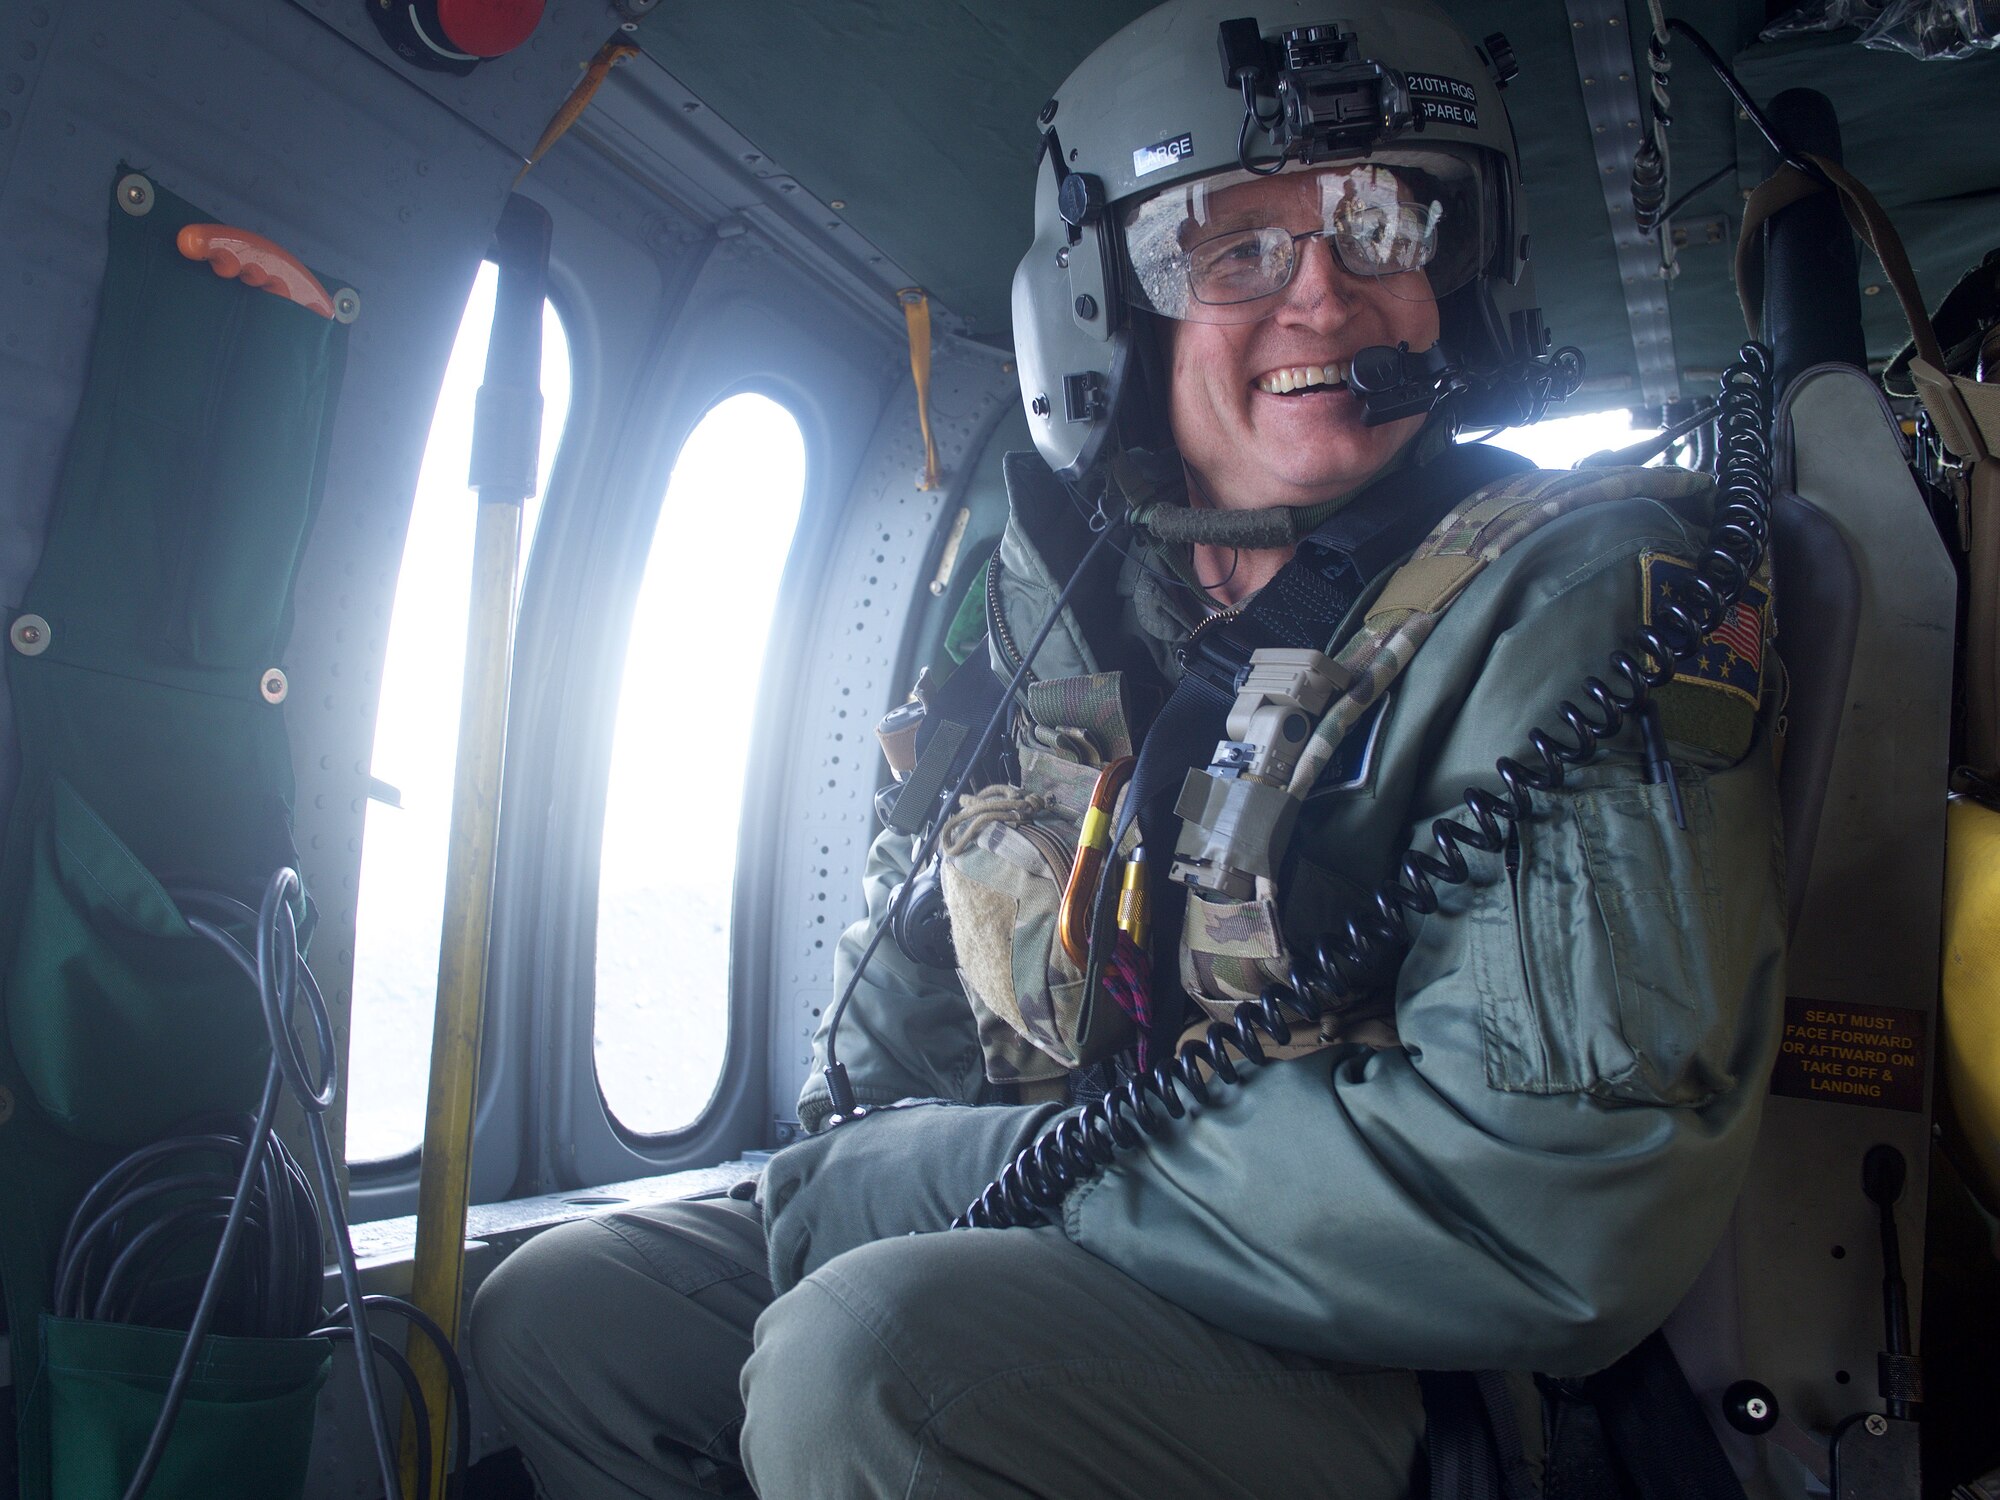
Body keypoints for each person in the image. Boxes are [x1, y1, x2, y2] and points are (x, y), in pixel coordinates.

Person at [469, 2, 1785, 1496]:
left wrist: (985, 1179)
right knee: (567, 1318)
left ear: (1458, 276)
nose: (1326, 298)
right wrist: (862, 1149)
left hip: (1416, 1371)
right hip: (1086, 1255)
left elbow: (1556, 1211)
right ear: (1103, 309)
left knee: (873, 1365)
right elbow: (914, 978)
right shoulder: (1055, 603)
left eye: (1381, 223)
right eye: (1236, 248)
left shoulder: (1573, 598)